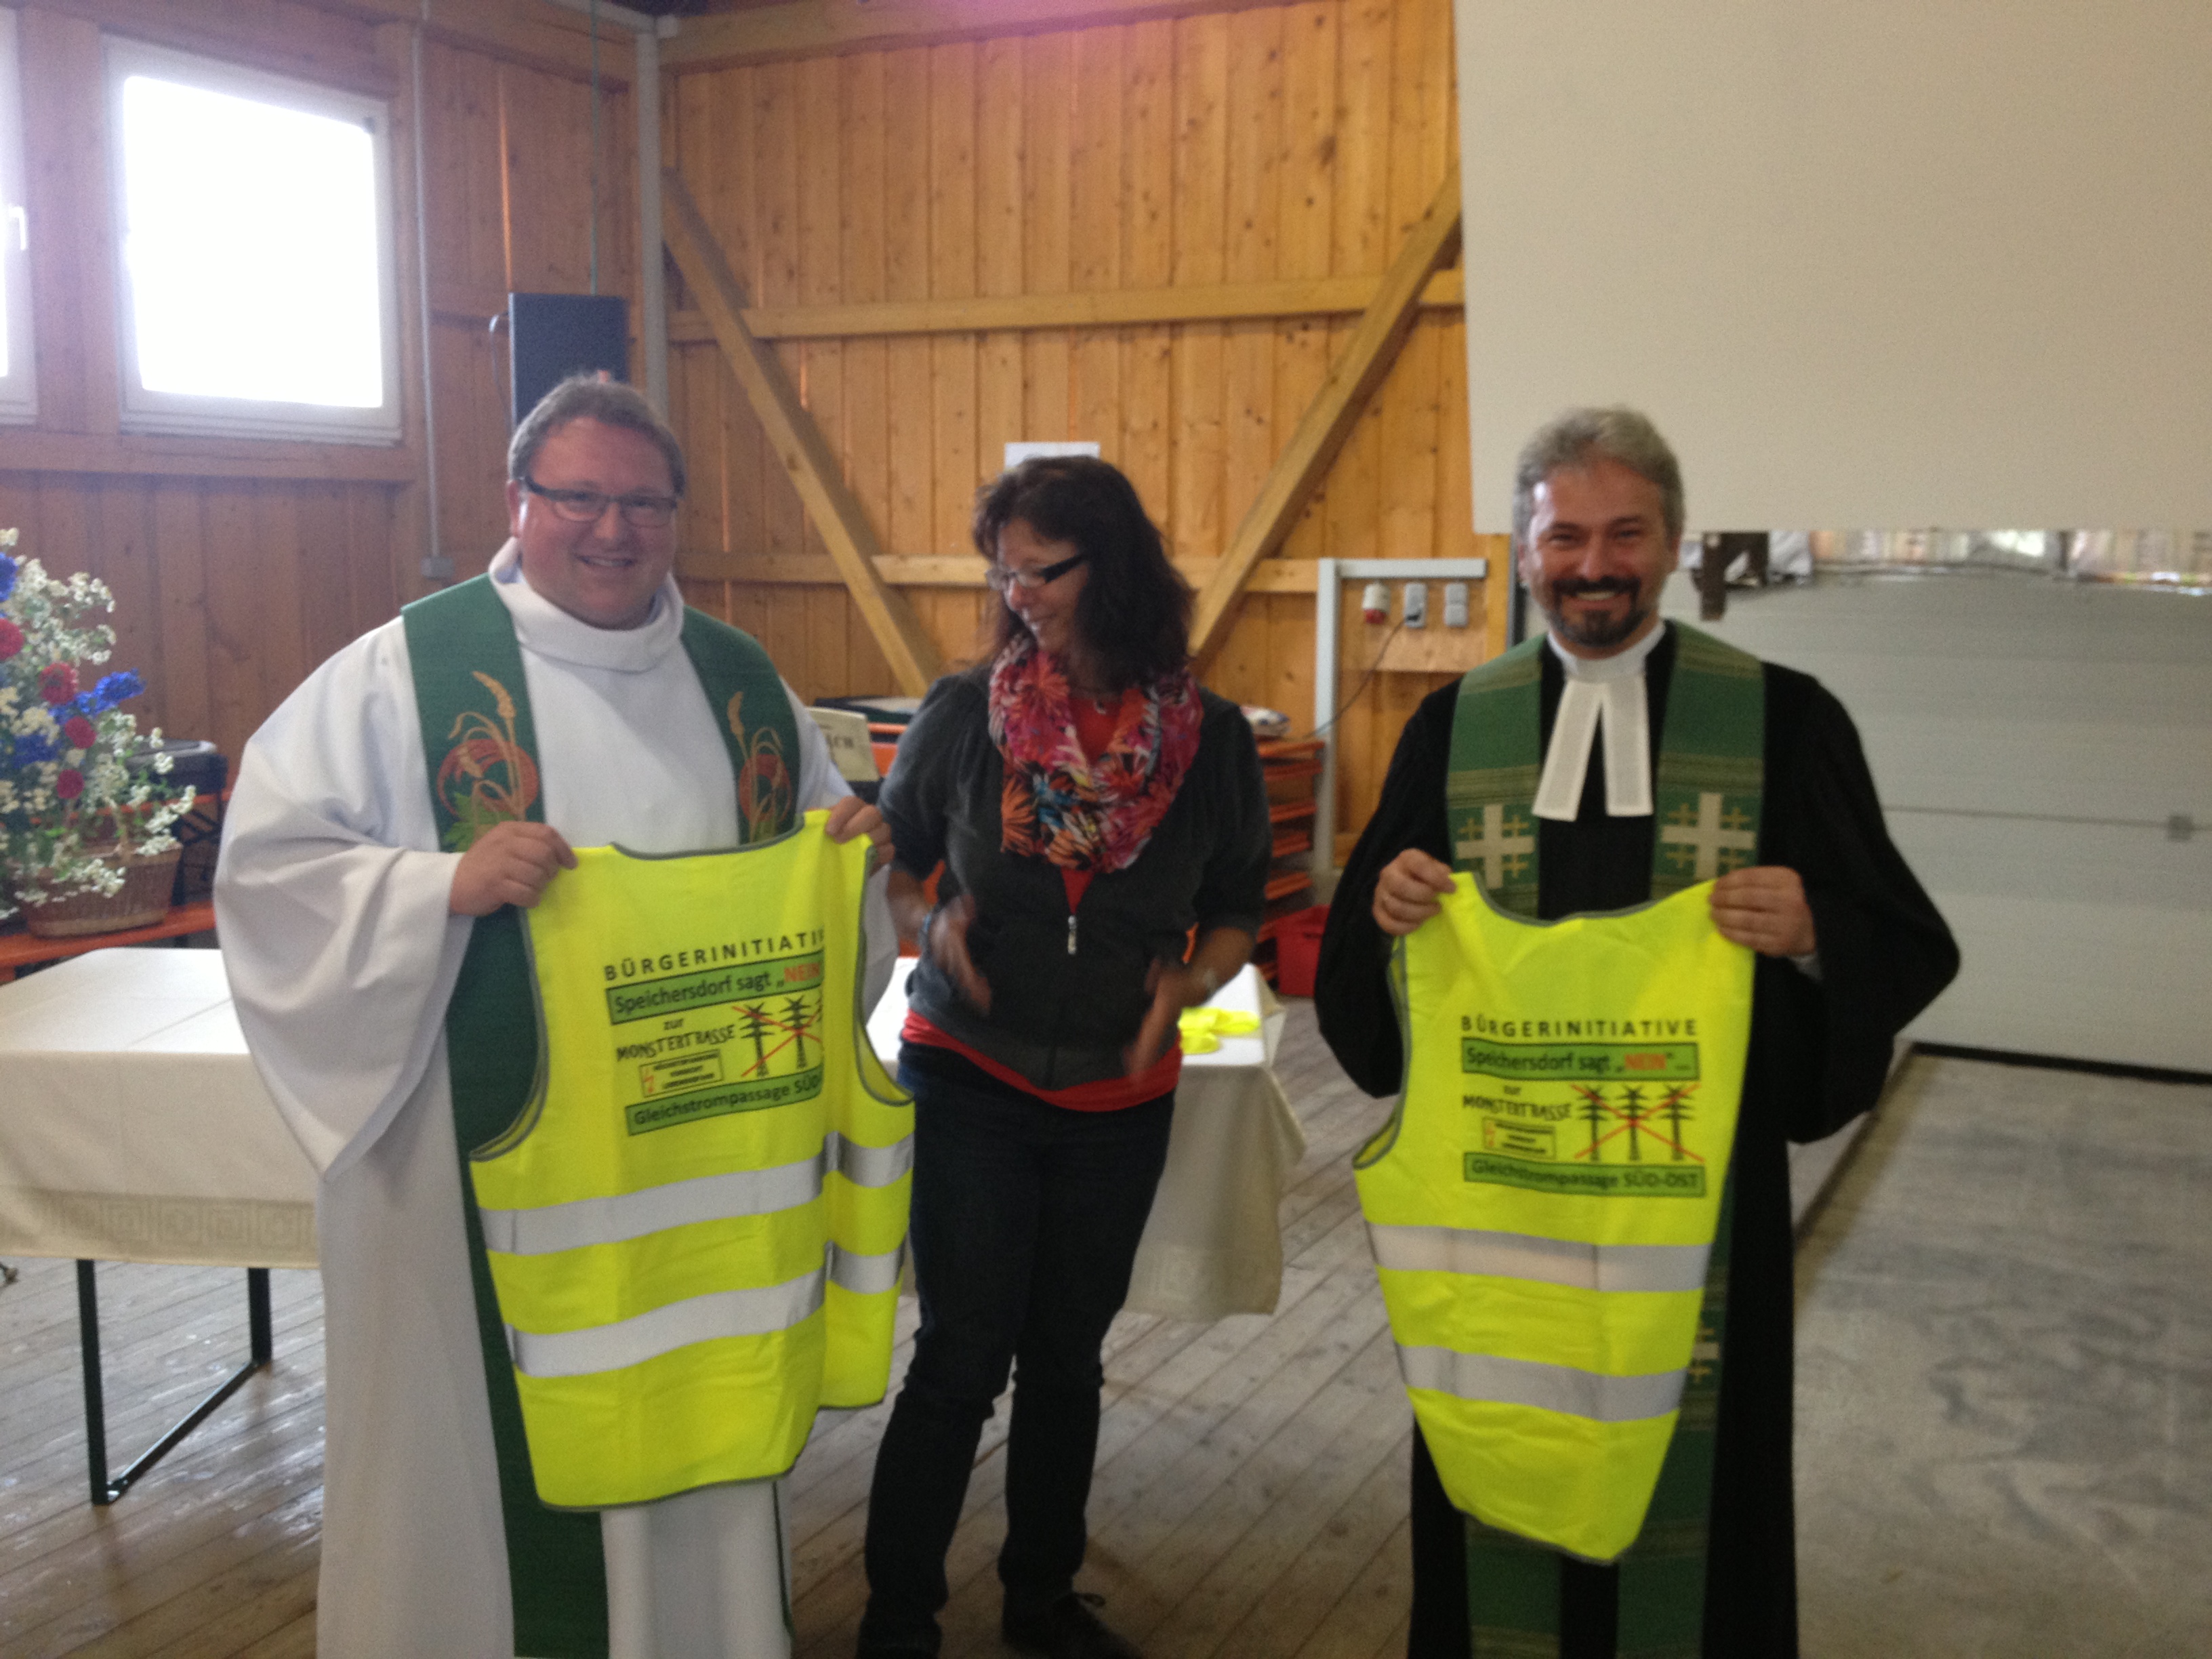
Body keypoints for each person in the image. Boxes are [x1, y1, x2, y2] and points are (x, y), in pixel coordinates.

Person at [216, 375, 894, 1659]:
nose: (613, 529)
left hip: (694, 1186)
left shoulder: (743, 687)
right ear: (517, 502)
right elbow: (267, 874)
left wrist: (846, 860)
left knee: (696, 1420)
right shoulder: (406, 676)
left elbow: (813, 921)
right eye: (577, 497)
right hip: (477, 1178)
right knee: (479, 1461)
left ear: (677, 516)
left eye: (645, 503)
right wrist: (437, 888)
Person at [1316, 407, 1959, 1658]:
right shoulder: (1455, 727)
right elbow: (1360, 976)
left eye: (1626, 534)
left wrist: (1817, 929)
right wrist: (1388, 918)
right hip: (1505, 1205)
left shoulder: (1781, 720)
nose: (1594, 566)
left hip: (1695, 1204)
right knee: (1507, 1460)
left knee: (1695, 1499)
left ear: (1673, 543)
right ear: (1523, 552)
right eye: (1565, 538)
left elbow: (1905, 937)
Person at [856, 457, 1271, 1659]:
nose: (1017, 594)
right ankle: (897, 1621)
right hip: (970, 1073)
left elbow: (1239, 903)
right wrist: (929, 919)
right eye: (1006, 572)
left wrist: (1192, 983)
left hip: (1119, 1097)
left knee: (1067, 1363)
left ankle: (1039, 1602)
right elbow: (897, 855)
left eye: (1042, 570)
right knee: (959, 1359)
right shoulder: (965, 714)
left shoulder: (1212, 741)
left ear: (1115, 570)